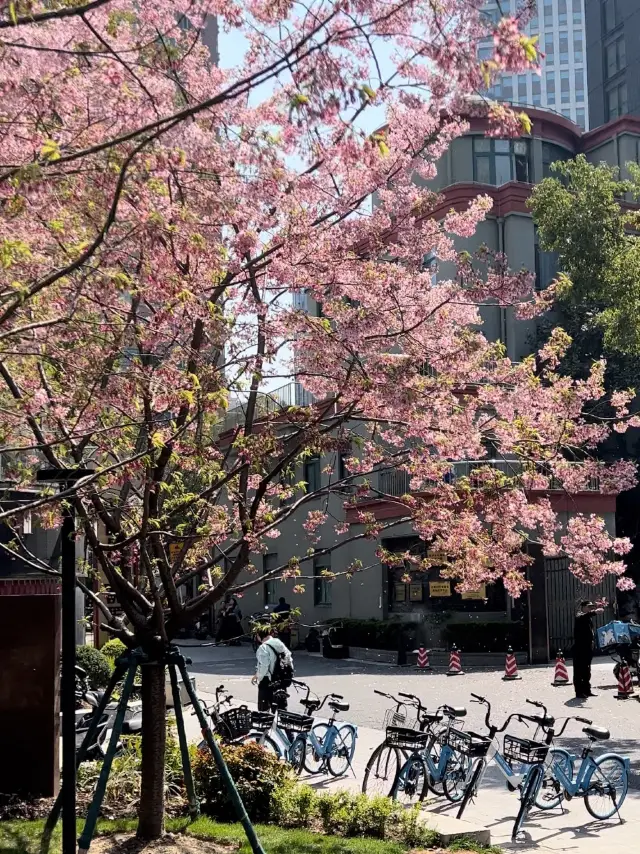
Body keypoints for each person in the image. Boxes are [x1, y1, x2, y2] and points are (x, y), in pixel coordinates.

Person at [252, 628, 294, 711]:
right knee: (281, 708)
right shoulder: (279, 643)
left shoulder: (263, 648)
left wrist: (258, 676)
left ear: (259, 636)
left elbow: (264, 666)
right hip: (281, 679)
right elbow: (289, 659)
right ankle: (283, 722)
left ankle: (267, 722)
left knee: (264, 711)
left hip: (268, 680)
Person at [573, 599, 603, 699]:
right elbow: (583, 616)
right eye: (588, 607)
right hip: (579, 648)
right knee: (579, 671)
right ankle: (579, 692)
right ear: (583, 607)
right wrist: (594, 612)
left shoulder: (587, 618)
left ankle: (587, 690)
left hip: (587, 647)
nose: (590, 608)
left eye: (591, 607)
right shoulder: (579, 615)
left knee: (587, 670)